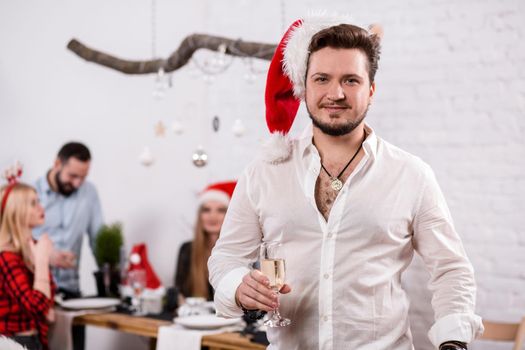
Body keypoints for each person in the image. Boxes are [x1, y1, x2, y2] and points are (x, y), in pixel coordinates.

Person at [208, 15, 483, 350]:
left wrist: (453, 340)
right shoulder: (263, 171)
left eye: (350, 80)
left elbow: (451, 268)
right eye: (322, 79)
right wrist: (238, 285)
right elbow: (225, 258)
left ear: (371, 90)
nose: (335, 93)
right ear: (304, 87)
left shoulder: (411, 174)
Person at [32, 142, 104, 298]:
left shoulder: (89, 193)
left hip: (71, 290)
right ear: (57, 164)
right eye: (72, 176)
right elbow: (12, 241)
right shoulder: (31, 194)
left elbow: (99, 239)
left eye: (83, 177)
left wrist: (111, 274)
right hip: (35, 290)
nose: (77, 183)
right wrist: (44, 257)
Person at [0, 170, 56, 350]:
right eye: (33, 203)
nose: (41, 207)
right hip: (14, 343)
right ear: (17, 211)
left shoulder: (31, 248)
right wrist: (41, 262)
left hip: (34, 339)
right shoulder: (6, 257)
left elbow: (48, 298)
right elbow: (39, 308)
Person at [175, 181, 236, 303]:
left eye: (220, 210)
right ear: (200, 215)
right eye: (206, 210)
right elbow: (179, 292)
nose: (212, 216)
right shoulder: (187, 249)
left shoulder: (239, 250)